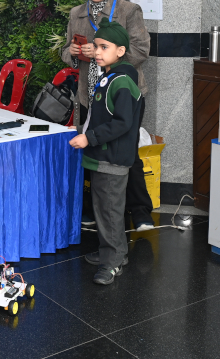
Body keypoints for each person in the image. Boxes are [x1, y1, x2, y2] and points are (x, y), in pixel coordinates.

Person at [61, 0, 152, 231]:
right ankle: (93, 208)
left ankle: (140, 212)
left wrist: (103, 56)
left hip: (122, 92)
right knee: (93, 149)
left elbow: (141, 50)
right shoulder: (77, 13)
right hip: (90, 95)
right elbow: (66, 51)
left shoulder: (127, 10)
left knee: (126, 150)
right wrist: (74, 54)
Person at [69, 18, 142, 285]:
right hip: (102, 157)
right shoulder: (110, 77)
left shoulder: (121, 82)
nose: (97, 52)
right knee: (104, 208)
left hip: (111, 158)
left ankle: (112, 263)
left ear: (121, 51)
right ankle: (112, 253)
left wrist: (90, 138)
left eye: (104, 47)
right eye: (96, 46)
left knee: (109, 210)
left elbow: (122, 123)